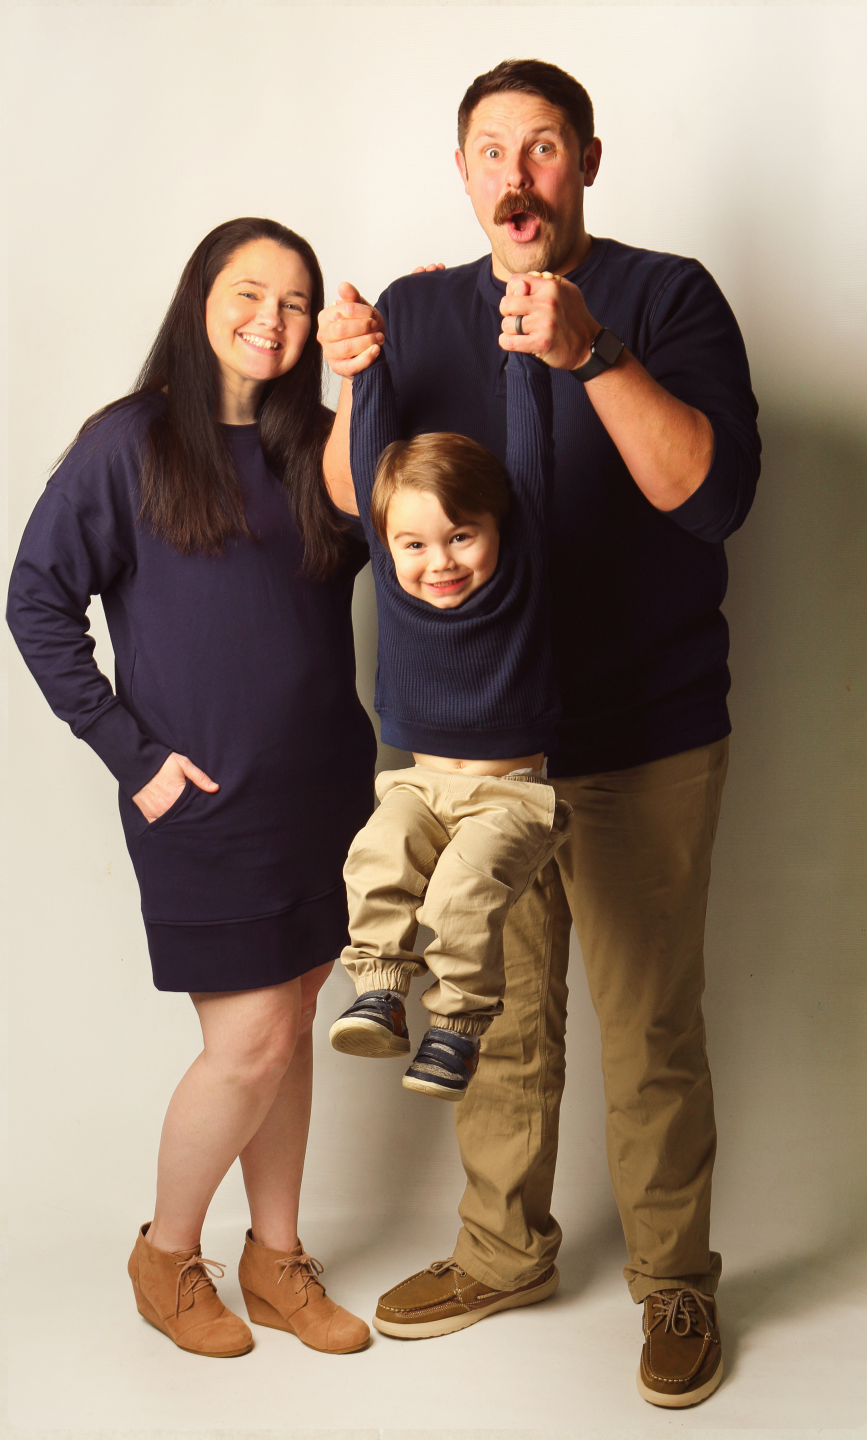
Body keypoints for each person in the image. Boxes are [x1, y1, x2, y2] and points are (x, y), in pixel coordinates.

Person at [318, 60, 760, 1406]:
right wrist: (348, 389)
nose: (519, 173)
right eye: (494, 149)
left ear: (588, 163)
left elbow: (709, 494)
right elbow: (358, 516)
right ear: (465, 173)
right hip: (478, 752)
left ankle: (675, 1278)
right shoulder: (415, 311)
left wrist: (592, 355)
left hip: (646, 732)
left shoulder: (663, 297)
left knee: (649, 1025)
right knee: (494, 1017)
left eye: (546, 146)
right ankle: (504, 1252)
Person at [7, 217, 377, 1359]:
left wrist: (359, 388)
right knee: (250, 1041)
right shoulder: (127, 443)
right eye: (249, 291)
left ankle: (276, 1257)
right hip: (206, 800)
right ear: (200, 296)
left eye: (297, 302)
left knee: (292, 1024)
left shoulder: (310, 437)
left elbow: (372, 520)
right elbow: (36, 603)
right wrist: (135, 758)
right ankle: (166, 1255)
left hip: (324, 784)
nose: (273, 317)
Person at [327, 347, 572, 1099]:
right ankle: (378, 990)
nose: (439, 562)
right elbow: (372, 457)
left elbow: (531, 446)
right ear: (388, 542)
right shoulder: (399, 576)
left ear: (499, 527)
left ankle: (459, 1030)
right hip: (419, 784)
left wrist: (526, 357)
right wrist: (367, 367)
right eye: (414, 545)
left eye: (461, 536)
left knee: (461, 893)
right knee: (378, 852)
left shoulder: (519, 560)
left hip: (510, 796)